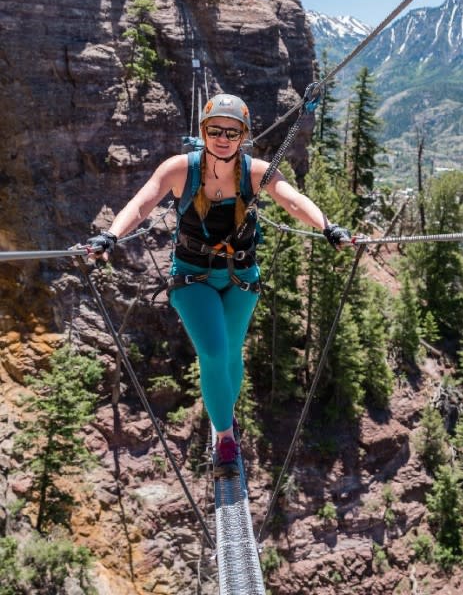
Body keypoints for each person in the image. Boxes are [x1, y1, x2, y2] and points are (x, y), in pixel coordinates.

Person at [85, 93, 352, 476]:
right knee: (212, 353)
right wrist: (109, 235)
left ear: (242, 135)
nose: (222, 138)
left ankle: (223, 409)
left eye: (231, 131)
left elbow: (293, 201)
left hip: (241, 278)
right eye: (215, 130)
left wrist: (327, 227)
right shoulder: (180, 170)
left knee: (230, 354)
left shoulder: (256, 172)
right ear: (203, 132)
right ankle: (225, 437)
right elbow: (143, 204)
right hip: (193, 277)